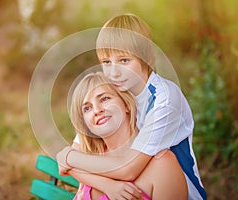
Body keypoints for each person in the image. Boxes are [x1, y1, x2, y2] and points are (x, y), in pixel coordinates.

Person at [57, 13, 207, 200]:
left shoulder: (163, 100)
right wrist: (107, 185)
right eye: (106, 62)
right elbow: (74, 160)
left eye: (124, 61)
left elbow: (127, 169)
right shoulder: (114, 92)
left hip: (170, 189)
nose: (114, 72)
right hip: (128, 186)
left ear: (145, 57)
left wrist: (68, 157)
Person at [66, 72, 188, 200]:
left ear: (126, 104)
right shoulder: (90, 158)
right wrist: (107, 185)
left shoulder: (162, 163)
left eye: (104, 99)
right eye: (87, 108)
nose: (97, 110)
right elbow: (64, 164)